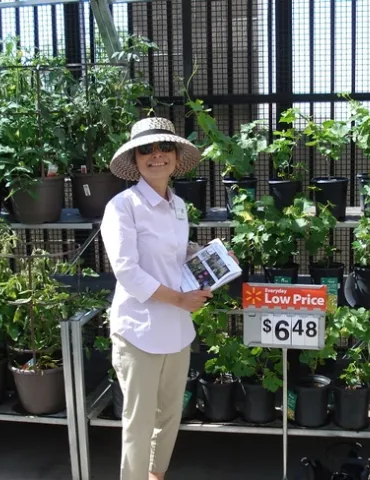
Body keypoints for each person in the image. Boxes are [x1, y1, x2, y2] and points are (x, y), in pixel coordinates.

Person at [101, 117, 214, 480]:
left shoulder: (178, 206)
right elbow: (128, 272)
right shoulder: (123, 207)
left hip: (176, 332)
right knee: (139, 419)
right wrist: (180, 300)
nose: (156, 156)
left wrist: (210, 259)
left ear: (176, 156)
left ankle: (156, 474)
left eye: (164, 148)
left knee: (169, 414)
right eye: (146, 150)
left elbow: (174, 254)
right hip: (139, 332)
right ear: (134, 159)